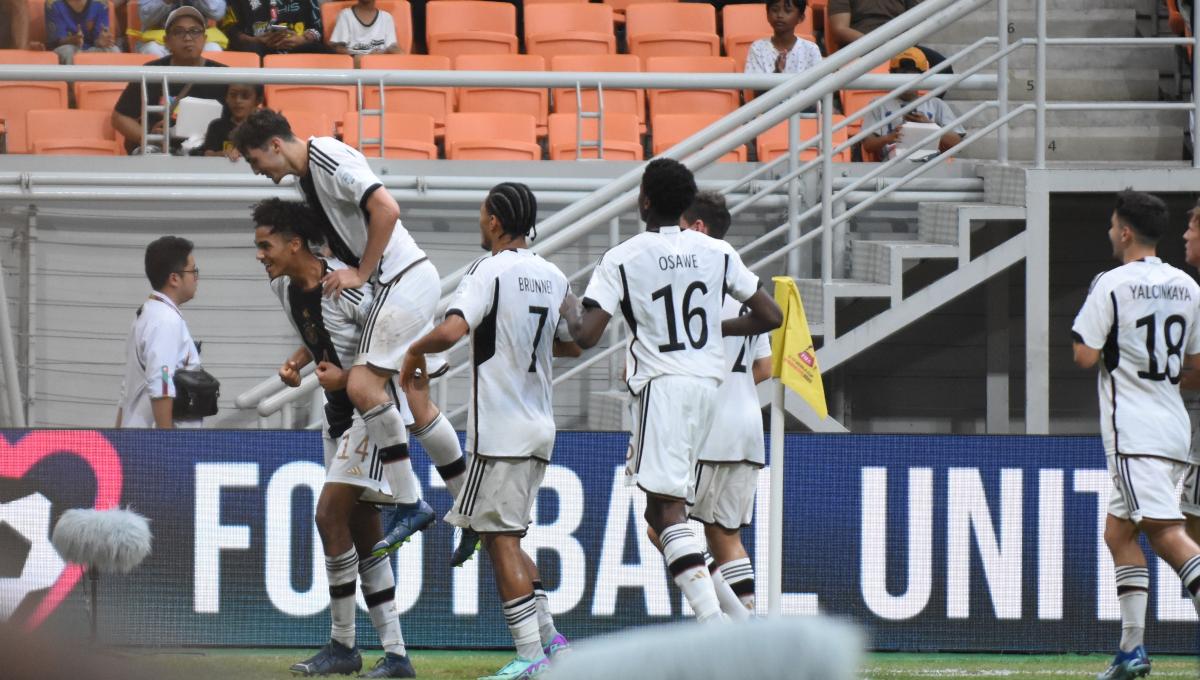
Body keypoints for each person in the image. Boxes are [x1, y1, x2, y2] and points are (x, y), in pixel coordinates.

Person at [232, 109, 478, 563]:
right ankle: (473, 510)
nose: (257, 171)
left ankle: (410, 502)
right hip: (394, 285)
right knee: (417, 402)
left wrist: (361, 272)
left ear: (274, 145)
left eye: (254, 161)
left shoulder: (325, 155)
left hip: (398, 281)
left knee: (364, 386)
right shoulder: (308, 180)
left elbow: (387, 207)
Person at [559, 158, 782, 624]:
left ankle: (715, 625)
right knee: (665, 514)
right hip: (708, 387)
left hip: (663, 386)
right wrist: (717, 330)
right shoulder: (716, 252)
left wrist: (565, 297)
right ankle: (740, 625)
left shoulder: (623, 256)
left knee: (666, 512)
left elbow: (586, 335)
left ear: (644, 200)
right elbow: (770, 315)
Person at [401, 183, 579, 680]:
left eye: (483, 215)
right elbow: (575, 341)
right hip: (541, 426)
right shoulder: (554, 275)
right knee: (510, 538)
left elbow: (453, 330)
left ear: (497, 222)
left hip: (501, 430)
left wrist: (414, 352)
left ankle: (529, 657)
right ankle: (553, 643)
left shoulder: (488, 270)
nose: (481, 223)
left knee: (499, 540)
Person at [252, 199, 416, 679]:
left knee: (328, 515)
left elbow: (393, 349)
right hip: (339, 419)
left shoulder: (345, 287)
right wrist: (298, 362)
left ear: (295, 243)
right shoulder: (287, 290)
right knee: (365, 537)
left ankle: (343, 644)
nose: (261, 255)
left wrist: (346, 379)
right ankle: (398, 656)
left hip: (373, 413)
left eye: (266, 245)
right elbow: (321, 335)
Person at [1071, 190, 1200, 680]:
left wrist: (1116, 355)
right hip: (1173, 426)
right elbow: (1197, 367)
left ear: (1125, 231)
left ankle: (1133, 652)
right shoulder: (1187, 285)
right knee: (1117, 533)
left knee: (1167, 534)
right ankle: (1131, 652)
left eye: (1111, 225)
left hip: (1133, 431)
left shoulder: (1111, 282)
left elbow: (1084, 355)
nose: (1109, 232)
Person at [680, 191, 772, 619]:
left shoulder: (694, 285)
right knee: (725, 535)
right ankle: (749, 630)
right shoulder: (747, 285)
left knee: (662, 525)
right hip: (746, 424)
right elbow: (765, 367)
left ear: (698, 227)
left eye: (680, 225)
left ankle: (734, 622)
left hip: (707, 426)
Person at [111, 6, 229, 154]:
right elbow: (119, 118)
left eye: (195, 31)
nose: (187, 37)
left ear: (204, 39)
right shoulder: (151, 72)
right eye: (179, 32)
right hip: (158, 152)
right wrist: (149, 137)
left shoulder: (223, 75)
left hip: (206, 155)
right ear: (166, 41)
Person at [116, 236, 203, 429]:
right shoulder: (165, 320)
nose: (196, 278)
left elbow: (127, 390)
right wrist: (166, 444)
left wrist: (117, 438)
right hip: (156, 445)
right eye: (193, 271)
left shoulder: (149, 313)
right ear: (174, 278)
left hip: (137, 437)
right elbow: (162, 383)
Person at [860, 48, 963, 161]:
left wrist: (929, 126)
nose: (907, 79)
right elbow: (868, 145)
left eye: (913, 74)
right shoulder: (878, 104)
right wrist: (890, 137)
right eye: (902, 73)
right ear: (892, 75)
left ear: (923, 76)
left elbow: (956, 143)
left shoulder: (936, 104)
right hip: (892, 165)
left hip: (929, 163)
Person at [826, 0, 948, 71]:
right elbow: (840, 29)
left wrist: (895, 45)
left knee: (941, 67)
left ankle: (924, 109)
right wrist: (876, 43)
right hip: (860, 47)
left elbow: (917, 23)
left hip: (899, 46)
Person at [220, 0, 329, 56]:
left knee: (323, 51)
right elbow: (231, 31)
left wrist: (303, 40)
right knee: (253, 50)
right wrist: (255, 41)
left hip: (300, 50)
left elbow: (317, 28)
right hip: (258, 51)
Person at [742, 0, 821, 75]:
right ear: (767, 15)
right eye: (775, 10)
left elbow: (819, 85)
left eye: (787, 11)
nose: (780, 15)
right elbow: (755, 87)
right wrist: (777, 72)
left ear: (801, 18)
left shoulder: (811, 49)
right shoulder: (757, 48)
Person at [191, 82, 263, 158]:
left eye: (245, 96)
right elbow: (208, 154)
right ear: (226, 98)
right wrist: (222, 154)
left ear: (258, 100)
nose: (238, 101)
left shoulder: (263, 128)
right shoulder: (216, 126)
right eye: (233, 95)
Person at [135, 0, 225, 56]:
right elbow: (145, 18)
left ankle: (201, 87)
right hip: (160, 40)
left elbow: (217, 13)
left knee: (213, 49)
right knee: (152, 50)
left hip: (195, 37)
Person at [329, 0, 401, 67]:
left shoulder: (386, 17)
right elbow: (338, 48)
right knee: (359, 60)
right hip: (356, 64)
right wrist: (365, 57)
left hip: (381, 63)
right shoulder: (346, 15)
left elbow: (392, 47)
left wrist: (397, 53)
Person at [45, 0, 119, 64]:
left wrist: (101, 41)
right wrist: (73, 40)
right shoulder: (53, 3)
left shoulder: (101, 3)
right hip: (67, 48)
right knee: (67, 50)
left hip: (91, 48)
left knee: (113, 49)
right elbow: (56, 42)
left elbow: (98, 39)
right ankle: (73, 80)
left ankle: (105, 80)